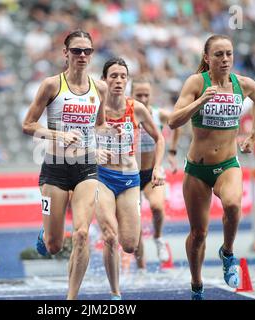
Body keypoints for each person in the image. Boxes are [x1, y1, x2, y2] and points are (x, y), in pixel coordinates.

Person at [168, 34, 255, 300]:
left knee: (233, 205)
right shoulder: (196, 82)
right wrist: (200, 101)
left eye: (229, 54)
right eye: (219, 54)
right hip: (197, 170)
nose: (225, 59)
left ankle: (228, 252)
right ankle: (197, 285)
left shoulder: (242, 84)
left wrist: (254, 134)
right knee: (198, 234)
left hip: (227, 165)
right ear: (207, 58)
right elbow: (173, 121)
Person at [21, 30, 108, 300]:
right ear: (65, 54)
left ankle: (71, 298)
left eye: (87, 51)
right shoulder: (51, 85)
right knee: (54, 245)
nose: (82, 56)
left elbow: (101, 125)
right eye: (77, 51)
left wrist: (100, 146)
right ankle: (47, 230)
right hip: (55, 168)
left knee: (82, 233)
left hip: (86, 167)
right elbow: (27, 125)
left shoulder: (99, 88)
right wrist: (57, 134)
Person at [96, 57, 165, 299]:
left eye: (123, 76)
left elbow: (160, 139)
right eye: (113, 76)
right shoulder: (95, 107)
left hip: (129, 179)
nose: (118, 80)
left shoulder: (136, 108)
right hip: (101, 176)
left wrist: (158, 167)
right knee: (110, 235)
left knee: (129, 245)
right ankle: (116, 292)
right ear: (104, 80)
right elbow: (75, 138)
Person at [130, 76, 180, 271]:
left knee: (158, 207)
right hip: (131, 175)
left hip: (152, 173)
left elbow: (177, 125)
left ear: (151, 95)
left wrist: (173, 152)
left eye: (146, 94)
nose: (142, 98)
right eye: (138, 94)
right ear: (131, 95)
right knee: (136, 227)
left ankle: (158, 237)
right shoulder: (127, 114)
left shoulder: (158, 115)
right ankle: (141, 268)